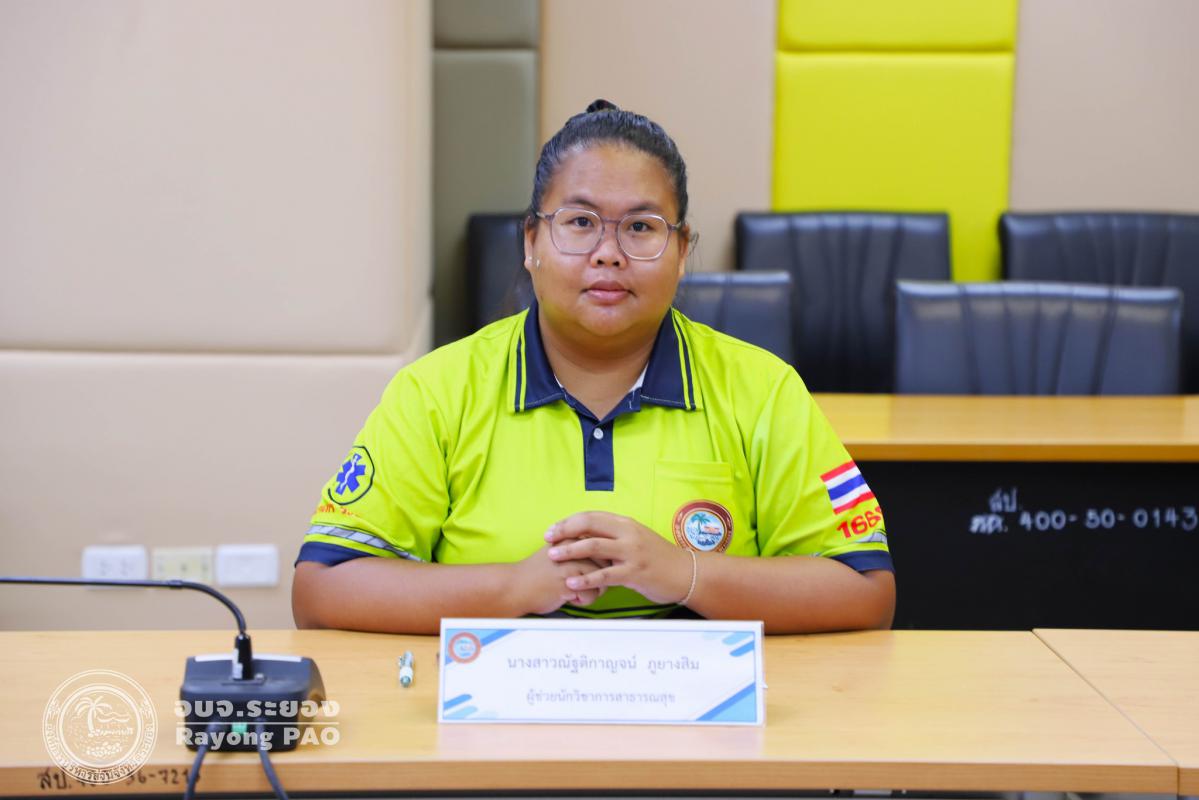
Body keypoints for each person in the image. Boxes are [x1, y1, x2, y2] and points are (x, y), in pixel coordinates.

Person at [292, 100, 895, 634]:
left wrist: (683, 573)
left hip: (705, 714)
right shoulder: (437, 391)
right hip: (498, 714)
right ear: (531, 241)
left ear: (683, 251)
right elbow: (323, 588)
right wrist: (516, 588)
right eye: (580, 222)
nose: (609, 252)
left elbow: (865, 588)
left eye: (641, 227)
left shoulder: (763, 390)